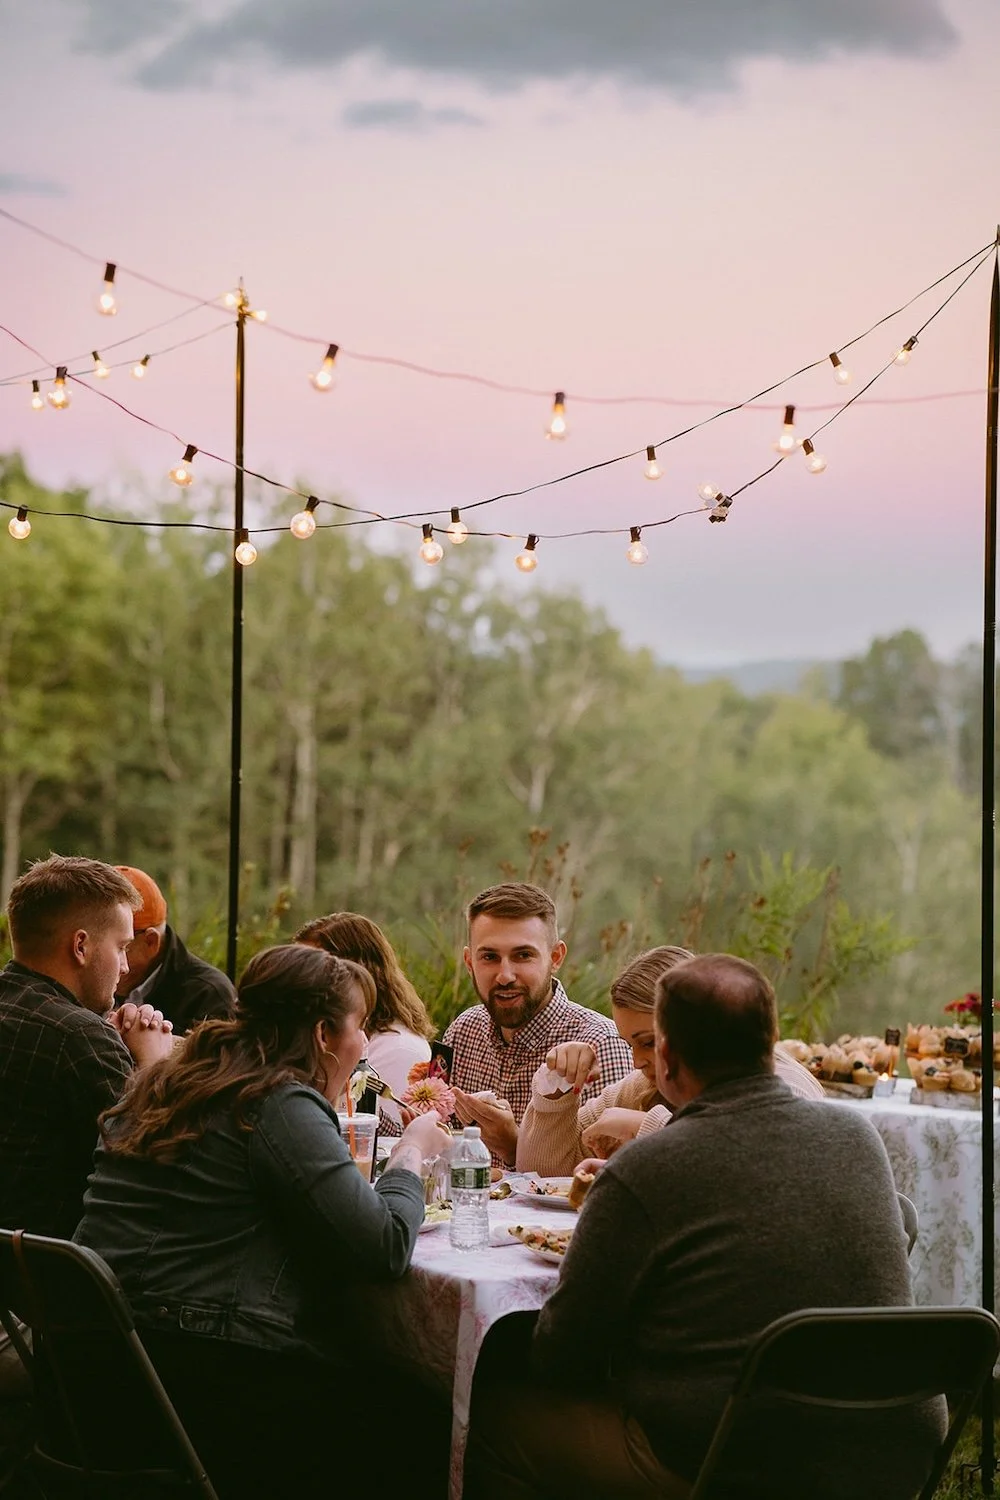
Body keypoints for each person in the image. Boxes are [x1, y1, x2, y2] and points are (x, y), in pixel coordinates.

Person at [466, 954, 943, 1500]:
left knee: (490, 1415)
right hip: (889, 1452)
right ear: (772, 1044)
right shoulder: (858, 1139)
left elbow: (562, 1356)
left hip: (733, 1463)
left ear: (666, 1055)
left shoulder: (650, 1167)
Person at [75, 942, 452, 1500]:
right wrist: (411, 1153)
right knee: (426, 1414)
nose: (365, 1043)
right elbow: (386, 1246)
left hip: (96, 1367)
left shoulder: (168, 1080)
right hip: (204, 1376)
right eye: (360, 1027)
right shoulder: (277, 1101)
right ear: (324, 1036)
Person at [517, 945, 824, 1175]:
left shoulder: (783, 1086)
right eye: (629, 1045)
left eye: (648, 1042)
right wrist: (555, 1092)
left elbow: (757, 1165)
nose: (637, 1062)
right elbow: (539, 1175)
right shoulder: (642, 1087)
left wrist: (648, 1129)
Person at [0, 854, 175, 1238]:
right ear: (81, 945)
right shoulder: (77, 1037)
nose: (126, 967)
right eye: (121, 947)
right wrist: (153, 1064)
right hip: (46, 1276)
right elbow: (155, 1170)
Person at [443, 883, 633, 1168]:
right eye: (490, 957)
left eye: (523, 955)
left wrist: (513, 1146)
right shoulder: (463, 1031)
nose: (505, 975)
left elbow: (605, 1181)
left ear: (556, 957)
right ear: (470, 962)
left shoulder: (602, 1044)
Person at [294, 911, 434, 1125]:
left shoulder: (398, 1049)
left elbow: (377, 1140)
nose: (296, 980)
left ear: (352, 974)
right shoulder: (321, 1036)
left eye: (309, 970)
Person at [113, 864, 236, 1031]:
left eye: (120, 946)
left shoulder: (208, 994)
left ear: (151, 942)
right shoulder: (86, 979)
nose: (95, 958)